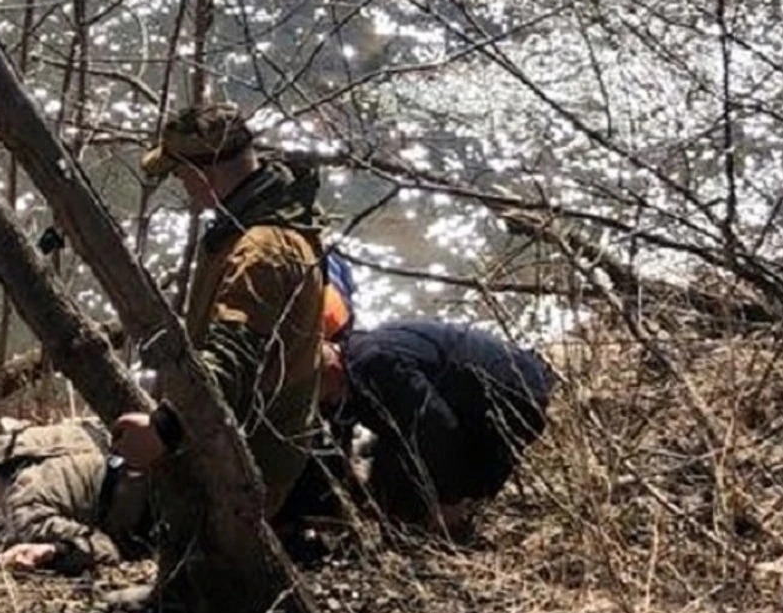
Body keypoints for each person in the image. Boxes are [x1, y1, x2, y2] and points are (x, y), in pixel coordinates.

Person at [111, 103, 328, 519]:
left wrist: (164, 430)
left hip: (250, 457)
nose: (182, 184)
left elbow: (231, 361)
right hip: (263, 436)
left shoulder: (259, 253)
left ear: (203, 175)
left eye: (180, 173)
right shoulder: (268, 217)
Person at [324, 320, 556, 535]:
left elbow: (436, 426)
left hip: (512, 400)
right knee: (389, 493)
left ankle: (456, 509)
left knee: (427, 519)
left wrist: (449, 501)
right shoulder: (354, 354)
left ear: (334, 370)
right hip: (474, 395)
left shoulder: (375, 366)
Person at [0, 421, 153, 574]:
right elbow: (105, 549)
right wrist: (54, 551)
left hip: (137, 436)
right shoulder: (18, 523)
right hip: (147, 496)